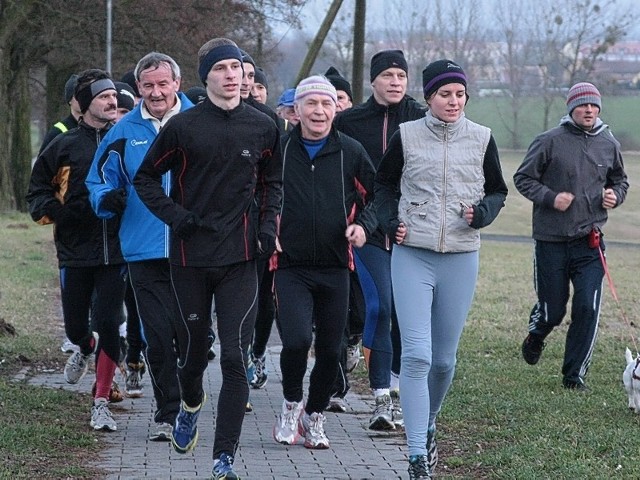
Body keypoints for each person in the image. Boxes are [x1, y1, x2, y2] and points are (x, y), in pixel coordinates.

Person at [133, 38, 282, 479]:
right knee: (195, 352)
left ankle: (223, 459)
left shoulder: (264, 126)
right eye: (221, 68)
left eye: (237, 66)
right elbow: (145, 180)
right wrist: (176, 217)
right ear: (206, 77)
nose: (232, 74)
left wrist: (268, 229)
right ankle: (190, 404)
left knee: (235, 357)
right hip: (189, 257)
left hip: (241, 257)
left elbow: (273, 184)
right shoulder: (182, 128)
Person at [375, 59, 508, 479]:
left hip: (461, 255)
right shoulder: (407, 136)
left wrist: (482, 213)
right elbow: (384, 185)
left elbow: (498, 190)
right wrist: (389, 221)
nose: (454, 101)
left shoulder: (482, 138)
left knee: (444, 361)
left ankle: (429, 423)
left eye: (460, 94)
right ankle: (416, 455)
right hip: (412, 253)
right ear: (429, 97)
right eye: (445, 94)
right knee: (416, 354)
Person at [86, 52, 194, 441]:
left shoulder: (200, 122)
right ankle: (168, 414)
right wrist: (106, 199)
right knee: (158, 335)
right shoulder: (123, 131)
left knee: (192, 336)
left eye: (163, 84)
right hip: (142, 248)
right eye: (147, 86)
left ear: (177, 84)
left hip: (194, 248)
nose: (156, 92)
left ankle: (190, 401)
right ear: (138, 88)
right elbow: (97, 178)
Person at [271, 75, 377, 450]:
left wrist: (363, 226)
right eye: (310, 104)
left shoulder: (351, 150)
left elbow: (378, 196)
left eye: (326, 104)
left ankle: (314, 416)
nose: (318, 111)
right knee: (298, 341)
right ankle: (289, 405)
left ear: (336, 108)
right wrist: (270, 231)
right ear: (296, 111)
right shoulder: (278, 150)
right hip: (289, 265)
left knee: (331, 350)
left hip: (335, 266)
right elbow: (255, 196)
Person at [27, 69, 127, 432]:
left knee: (108, 321)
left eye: (114, 96)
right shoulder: (63, 145)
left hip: (117, 249)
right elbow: (37, 190)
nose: (111, 101)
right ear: (85, 106)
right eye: (103, 97)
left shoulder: (126, 140)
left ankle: (100, 400)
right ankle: (84, 348)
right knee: (75, 328)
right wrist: (58, 211)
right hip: (75, 249)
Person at [514, 82, 628, 391]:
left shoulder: (608, 143)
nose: (589, 110)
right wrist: (551, 197)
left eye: (594, 105)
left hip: (589, 241)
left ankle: (574, 375)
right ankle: (536, 334)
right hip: (550, 240)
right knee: (553, 309)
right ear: (571, 108)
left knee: (587, 308)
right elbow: (522, 178)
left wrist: (614, 196)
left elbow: (620, 181)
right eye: (583, 105)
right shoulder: (549, 141)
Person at [334, 49, 426, 431]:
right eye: (387, 75)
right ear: (372, 81)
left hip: (410, 231)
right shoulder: (350, 121)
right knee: (380, 308)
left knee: (406, 317)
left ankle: (399, 390)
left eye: (401, 76)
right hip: (367, 232)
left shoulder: (422, 117)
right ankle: (380, 399)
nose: (395, 82)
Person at [39, 74, 81, 156]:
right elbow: (42, 165)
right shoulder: (58, 132)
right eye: (77, 95)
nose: (82, 98)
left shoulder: (97, 129)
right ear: (70, 100)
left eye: (85, 94)